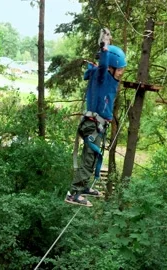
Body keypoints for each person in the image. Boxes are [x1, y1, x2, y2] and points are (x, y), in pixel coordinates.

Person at [65, 44, 127, 207]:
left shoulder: (106, 79)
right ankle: (73, 193)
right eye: (119, 69)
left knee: (93, 158)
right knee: (88, 158)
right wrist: (105, 50)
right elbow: (103, 67)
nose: (121, 73)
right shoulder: (102, 76)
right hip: (92, 125)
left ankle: (83, 187)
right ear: (110, 67)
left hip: (97, 125)